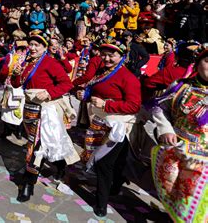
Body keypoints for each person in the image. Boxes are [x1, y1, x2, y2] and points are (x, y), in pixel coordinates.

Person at [77, 42, 141, 217]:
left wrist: (107, 104)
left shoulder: (128, 78)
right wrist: (85, 95)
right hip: (99, 121)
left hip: (117, 126)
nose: (106, 58)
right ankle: (116, 183)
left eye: (111, 55)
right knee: (113, 161)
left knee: (104, 164)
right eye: (104, 54)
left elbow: (134, 105)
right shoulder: (102, 72)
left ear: (122, 57)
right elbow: (95, 89)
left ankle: (101, 203)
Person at [11, 34, 76, 202]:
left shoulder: (50, 63)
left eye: (36, 45)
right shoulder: (26, 63)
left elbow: (67, 84)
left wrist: (48, 92)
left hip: (45, 111)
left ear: (44, 48)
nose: (32, 48)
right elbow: (16, 84)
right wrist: (16, 74)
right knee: (43, 142)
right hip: (29, 109)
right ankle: (61, 166)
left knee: (35, 145)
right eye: (31, 45)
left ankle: (28, 183)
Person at [149, 48, 207, 222]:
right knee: (174, 195)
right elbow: (159, 108)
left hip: (203, 162)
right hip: (177, 153)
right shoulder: (182, 87)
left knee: (194, 204)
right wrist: (165, 129)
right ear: (197, 64)